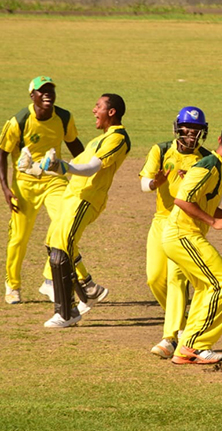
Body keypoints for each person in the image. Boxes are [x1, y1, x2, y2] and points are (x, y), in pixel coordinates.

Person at [163, 121, 222, 365]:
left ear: (218, 140)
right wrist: (213, 222)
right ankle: (195, 346)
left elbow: (203, 201)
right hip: (182, 234)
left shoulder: (217, 166)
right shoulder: (208, 167)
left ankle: (187, 348)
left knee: (207, 288)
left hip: (185, 235)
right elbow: (182, 200)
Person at [43, 94, 131, 328]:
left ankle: (67, 313)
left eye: (98, 106)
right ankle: (87, 293)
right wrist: (34, 167)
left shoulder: (118, 138)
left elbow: (91, 168)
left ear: (111, 112)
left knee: (62, 250)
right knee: (53, 244)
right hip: (72, 197)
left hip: (86, 200)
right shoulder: (97, 141)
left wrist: (64, 166)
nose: (94, 110)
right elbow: (75, 164)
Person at [0, 76, 85, 304]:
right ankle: (13, 286)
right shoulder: (19, 120)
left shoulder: (64, 117)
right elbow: (2, 153)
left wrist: (90, 169)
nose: (47, 94)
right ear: (32, 96)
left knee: (64, 224)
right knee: (19, 238)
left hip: (54, 180)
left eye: (50, 90)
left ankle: (49, 281)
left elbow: (74, 144)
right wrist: (6, 188)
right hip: (24, 185)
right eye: (42, 91)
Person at [139, 107, 211, 359]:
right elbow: (143, 184)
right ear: (178, 128)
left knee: (176, 279)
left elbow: (212, 194)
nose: (191, 133)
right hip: (161, 220)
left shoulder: (206, 158)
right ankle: (184, 324)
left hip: (185, 223)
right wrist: (155, 183)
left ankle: (170, 337)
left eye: (197, 130)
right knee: (154, 278)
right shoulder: (160, 150)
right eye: (187, 128)